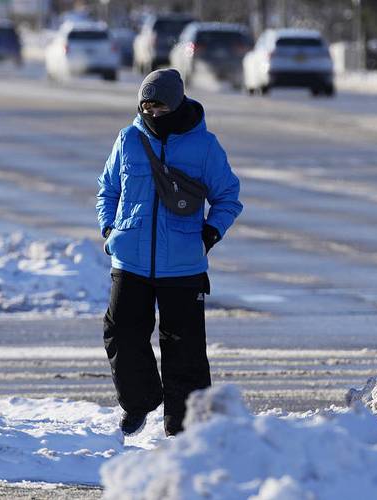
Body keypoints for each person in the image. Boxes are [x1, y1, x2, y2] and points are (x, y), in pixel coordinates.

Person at [96, 69, 242, 437]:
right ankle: (140, 400)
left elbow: (227, 197)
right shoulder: (128, 139)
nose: (153, 114)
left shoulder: (205, 146)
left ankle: (186, 430)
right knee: (121, 334)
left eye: (160, 108)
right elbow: (107, 189)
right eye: (146, 107)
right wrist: (110, 229)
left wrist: (209, 234)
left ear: (176, 105)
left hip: (183, 265)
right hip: (129, 259)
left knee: (185, 352)